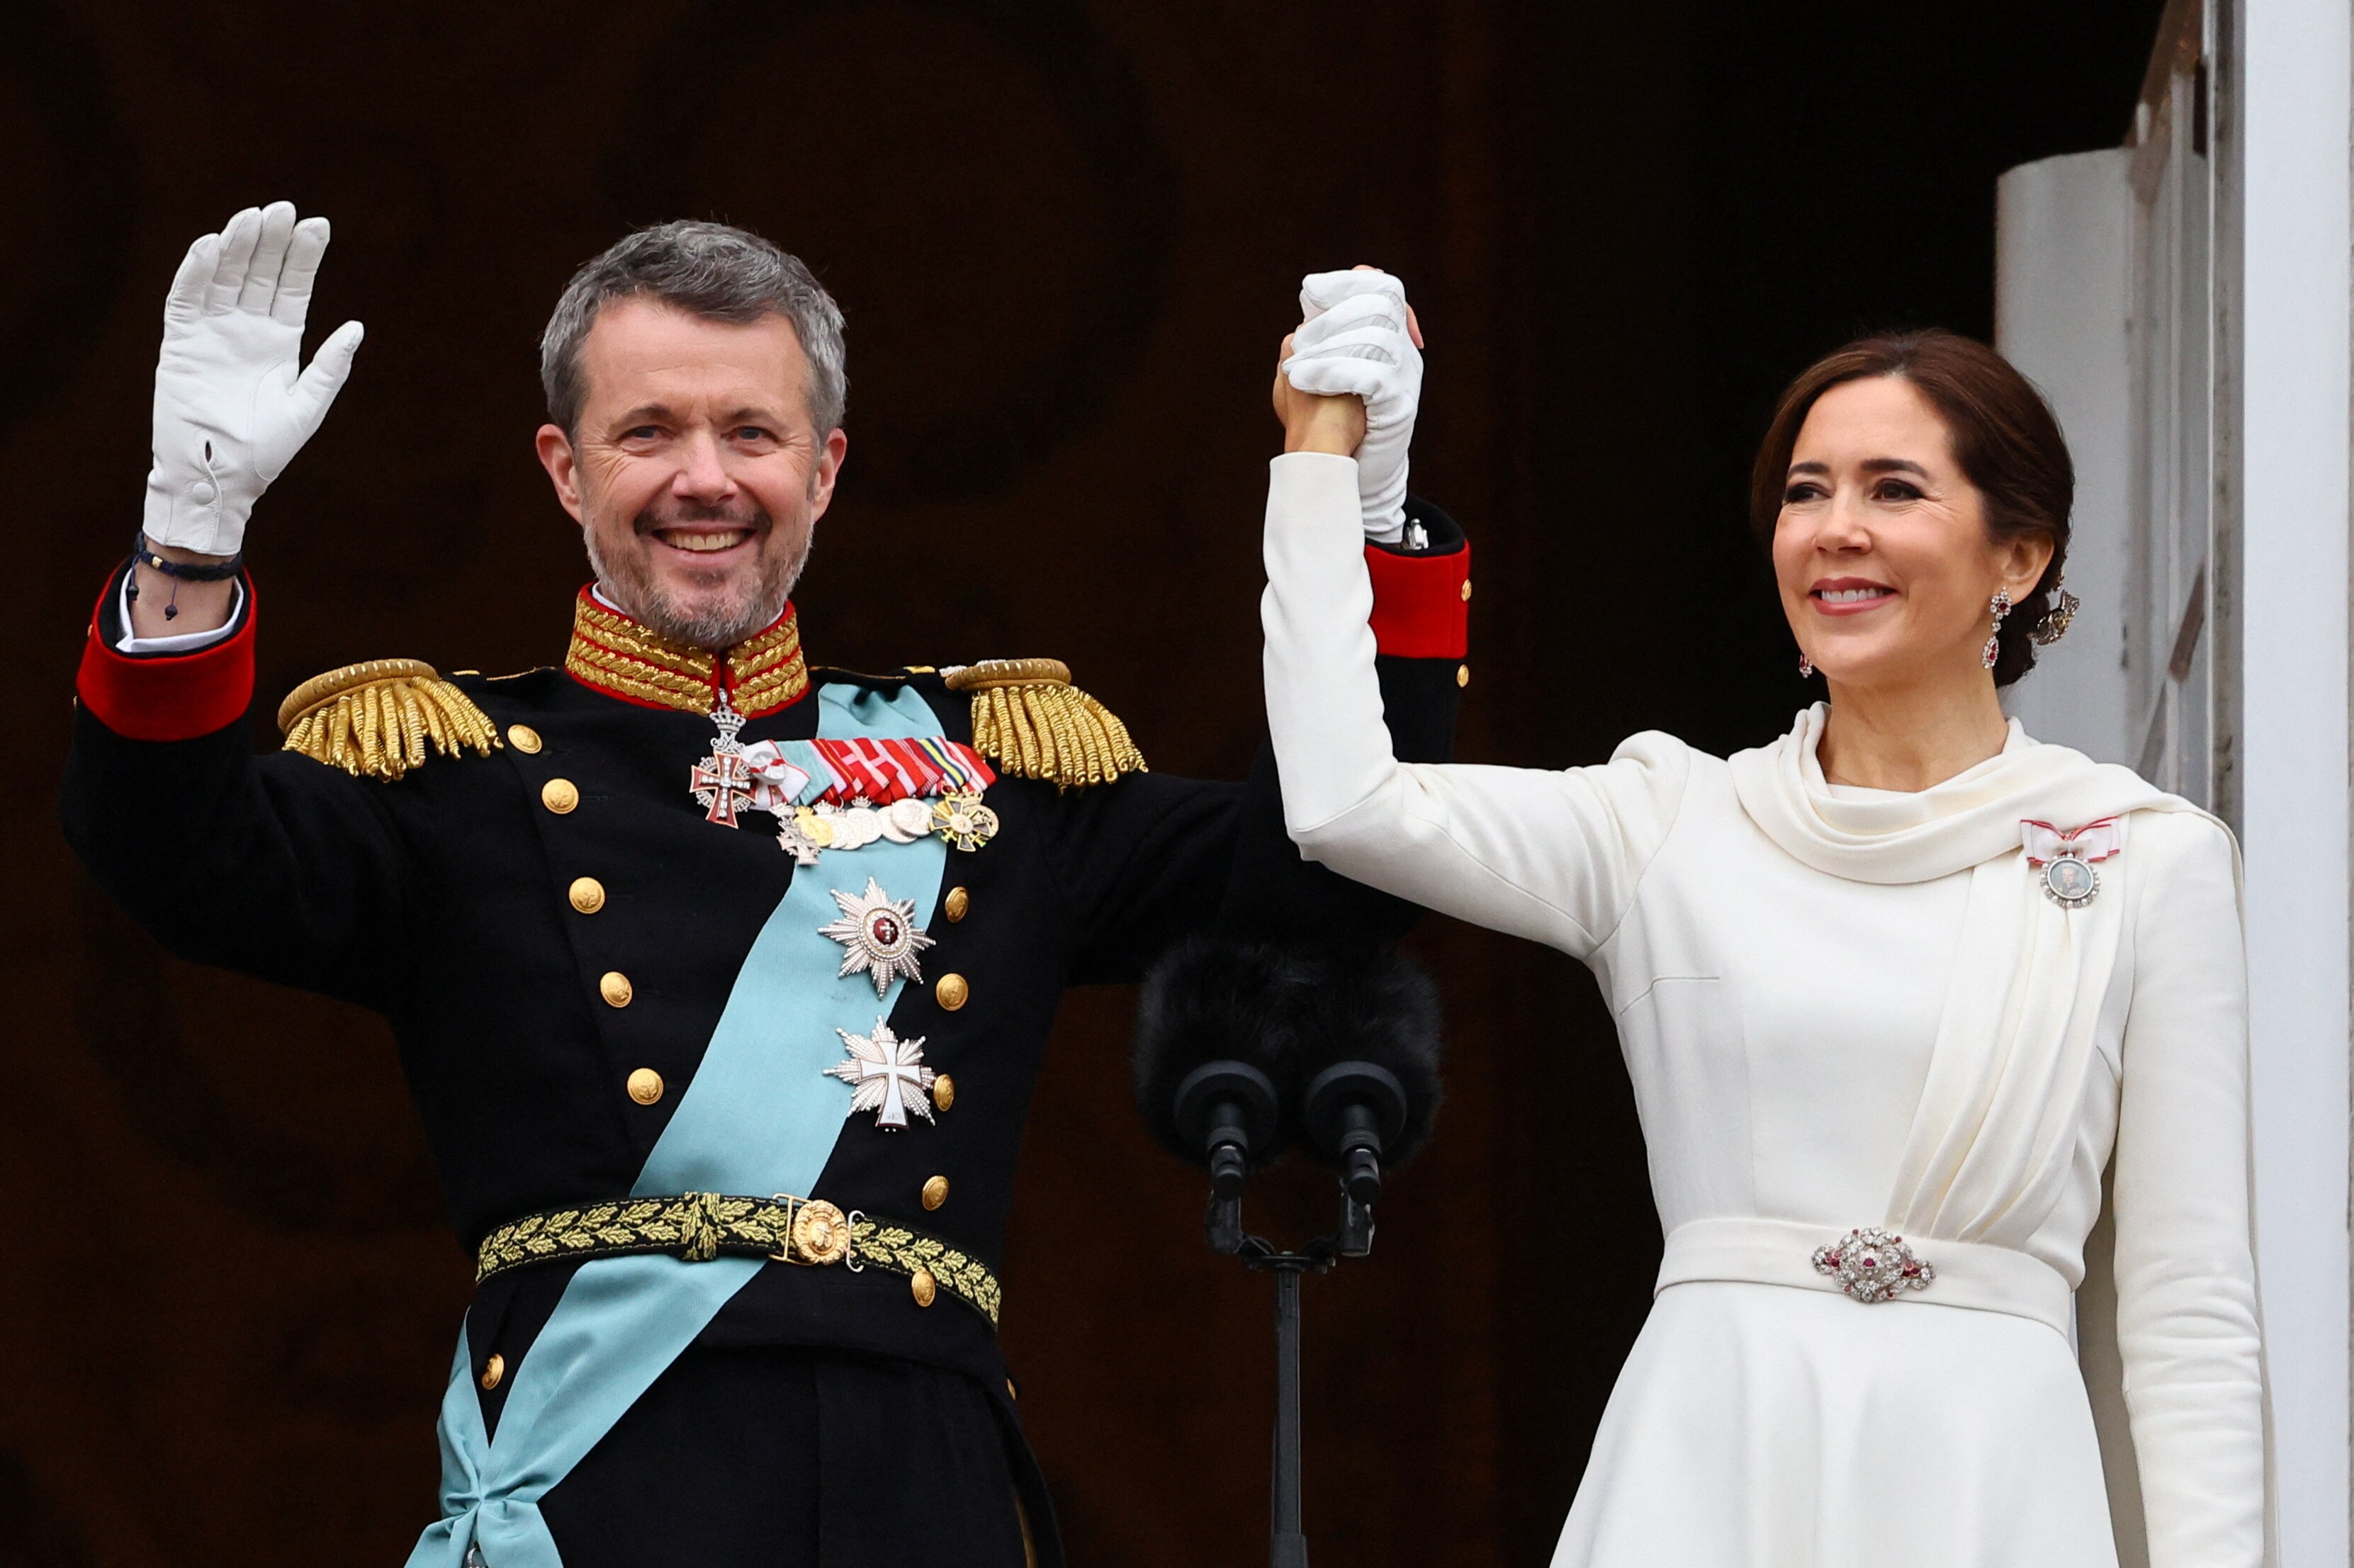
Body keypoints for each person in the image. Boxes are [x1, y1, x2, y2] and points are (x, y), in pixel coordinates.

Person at [60, 205, 1475, 1567]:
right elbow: (174, 853)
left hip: (923, 1489)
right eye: (648, 432)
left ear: (826, 466)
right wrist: (192, 536)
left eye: (751, 432)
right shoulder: (459, 776)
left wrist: (1372, 521)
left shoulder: (997, 769)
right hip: (607, 1486)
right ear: (563, 470)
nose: (705, 478)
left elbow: (1332, 869)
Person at [1263, 299, 2267, 1566]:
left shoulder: (2143, 855)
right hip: (1705, 1466)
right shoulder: (1670, 821)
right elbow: (1349, 805)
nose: (1836, 529)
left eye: (1894, 489)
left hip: (1989, 1485)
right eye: (1806, 492)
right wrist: (1329, 479)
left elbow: (2188, 1318)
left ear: (2018, 557)